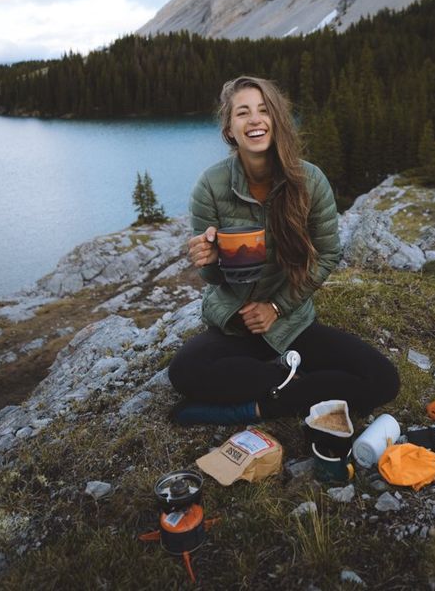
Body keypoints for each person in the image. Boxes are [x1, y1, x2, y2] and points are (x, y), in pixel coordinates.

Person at [168, 75, 400, 425]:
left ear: (276, 119)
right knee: (184, 371)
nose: (255, 120)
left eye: (264, 110)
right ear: (230, 130)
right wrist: (210, 260)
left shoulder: (310, 181)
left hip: (293, 323)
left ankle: (260, 406)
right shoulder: (210, 186)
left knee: (383, 379)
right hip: (236, 324)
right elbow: (213, 278)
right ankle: (298, 384)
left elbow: (327, 253)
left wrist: (277, 306)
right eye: (243, 113)